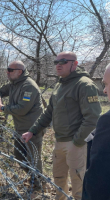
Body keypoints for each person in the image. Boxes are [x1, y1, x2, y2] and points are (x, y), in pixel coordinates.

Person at [22, 52, 101, 200]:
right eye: (56, 62)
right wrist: (32, 131)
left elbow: (92, 118)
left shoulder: (84, 84)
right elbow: (48, 112)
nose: (58, 65)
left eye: (63, 61)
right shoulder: (59, 84)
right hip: (59, 142)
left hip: (76, 144)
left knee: (78, 184)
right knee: (59, 179)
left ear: (75, 63)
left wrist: (77, 141)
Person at [0, 60, 45, 189]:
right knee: (19, 156)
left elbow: (22, 109)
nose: (7, 72)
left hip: (32, 129)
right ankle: (33, 178)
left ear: (19, 72)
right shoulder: (14, 84)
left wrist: (3, 108)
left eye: (10, 70)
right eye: (7, 69)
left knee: (33, 158)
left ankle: (37, 186)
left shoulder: (28, 86)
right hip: (20, 128)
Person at [82, 64, 110, 200]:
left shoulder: (107, 121)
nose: (104, 90)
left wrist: (78, 138)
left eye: (106, 84)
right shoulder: (60, 86)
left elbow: (99, 179)